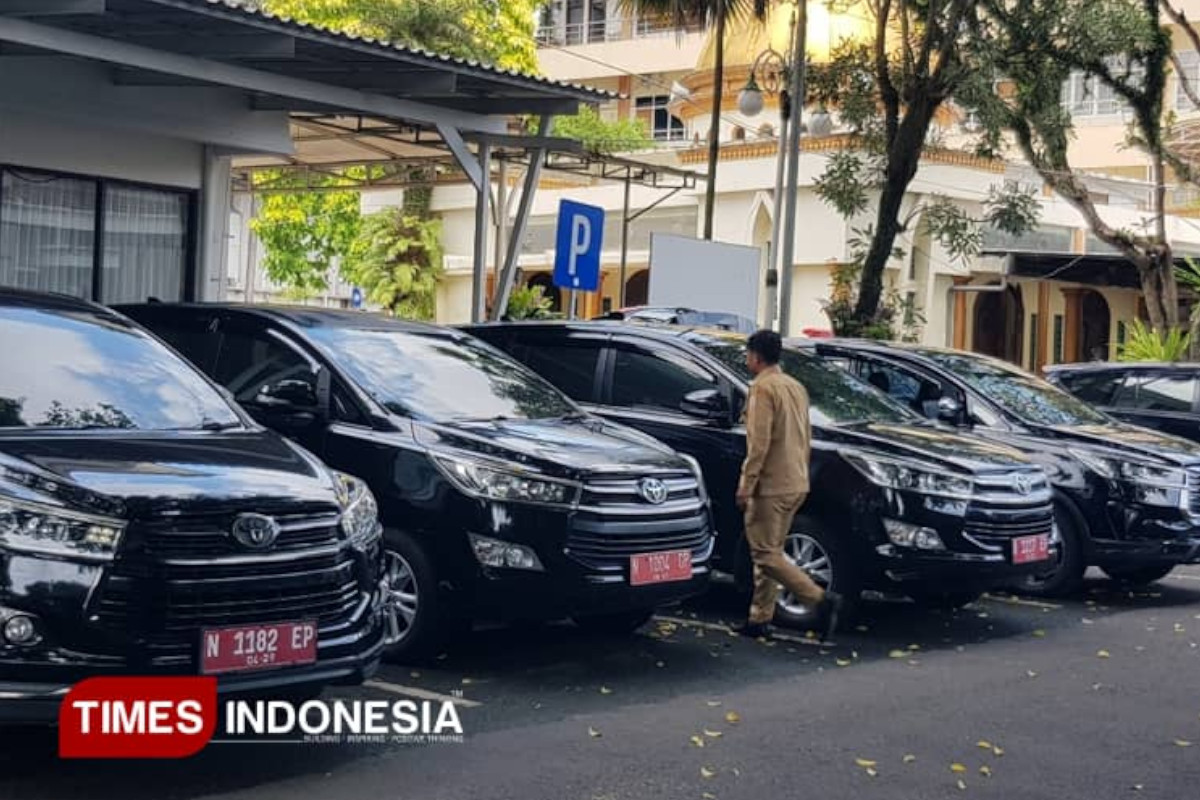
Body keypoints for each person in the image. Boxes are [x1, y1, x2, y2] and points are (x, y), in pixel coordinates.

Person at [734, 329, 843, 641]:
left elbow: (759, 444)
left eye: (748, 354)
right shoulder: (795, 387)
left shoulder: (762, 389)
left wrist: (746, 483)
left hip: (771, 484)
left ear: (756, 356)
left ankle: (819, 599)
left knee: (765, 554)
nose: (747, 359)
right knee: (773, 551)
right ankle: (760, 617)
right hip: (796, 479)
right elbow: (805, 434)